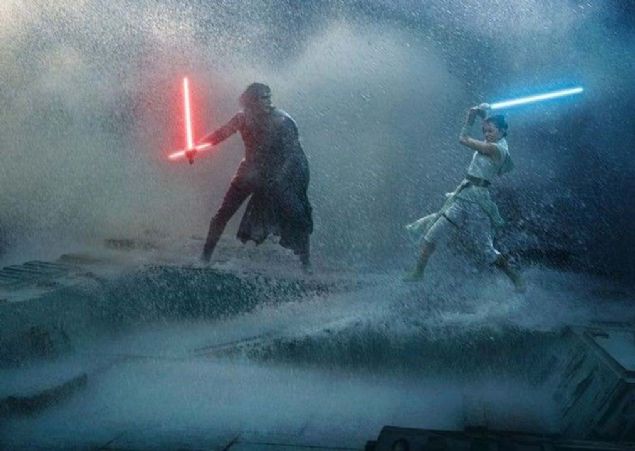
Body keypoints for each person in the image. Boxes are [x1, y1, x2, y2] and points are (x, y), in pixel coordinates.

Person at [191, 83, 313, 271]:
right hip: (248, 172)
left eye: (269, 97)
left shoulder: (282, 120)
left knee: (298, 216)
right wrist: (197, 147)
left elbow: (293, 154)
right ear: (251, 101)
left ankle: (306, 265)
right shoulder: (242, 118)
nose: (268, 101)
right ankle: (204, 259)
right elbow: (221, 134)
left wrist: (280, 178)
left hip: (275, 175)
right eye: (263, 98)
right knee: (223, 214)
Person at [404, 104, 525, 291]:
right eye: (484, 131)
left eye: (490, 131)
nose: (486, 134)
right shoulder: (496, 142)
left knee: (486, 250)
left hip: (478, 202)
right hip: (463, 196)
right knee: (432, 234)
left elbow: (463, 139)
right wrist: (481, 114)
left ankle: (515, 277)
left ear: (502, 131)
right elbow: (487, 127)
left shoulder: (496, 149)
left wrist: (470, 119)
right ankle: (418, 272)